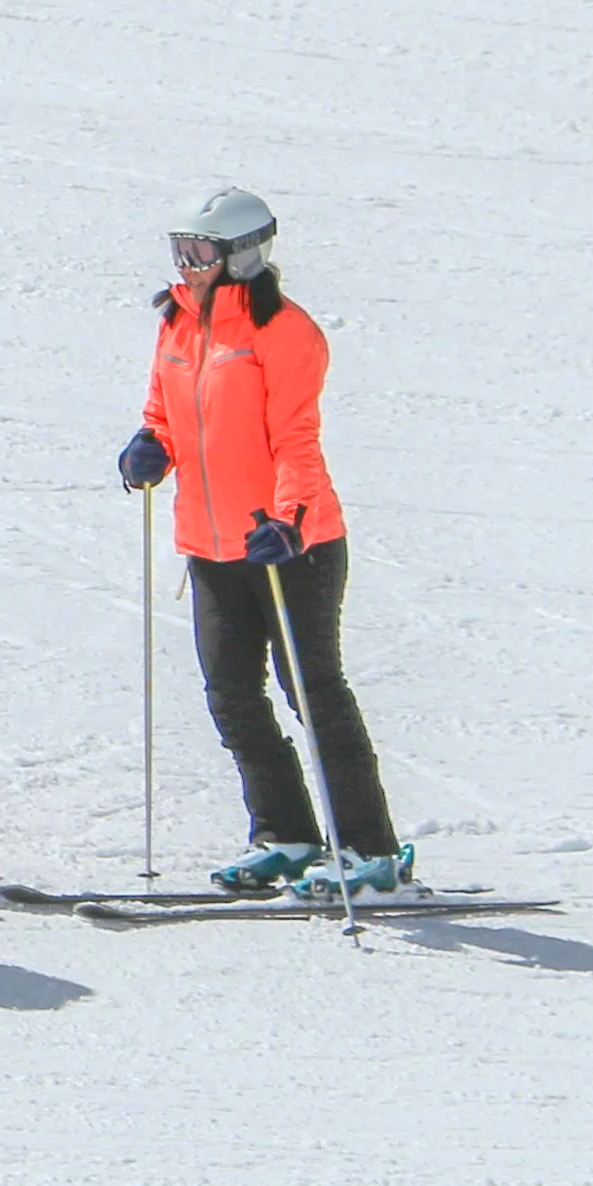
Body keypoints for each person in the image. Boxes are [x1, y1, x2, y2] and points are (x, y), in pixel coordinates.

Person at [117, 187, 410, 897]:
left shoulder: (284, 332)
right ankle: (285, 833)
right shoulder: (177, 325)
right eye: (179, 250)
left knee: (312, 693)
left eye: (200, 253)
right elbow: (163, 409)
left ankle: (368, 850)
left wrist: (290, 518)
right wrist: (150, 444)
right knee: (232, 698)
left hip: (288, 546)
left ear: (244, 255)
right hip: (209, 546)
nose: (186, 266)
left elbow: (295, 441)